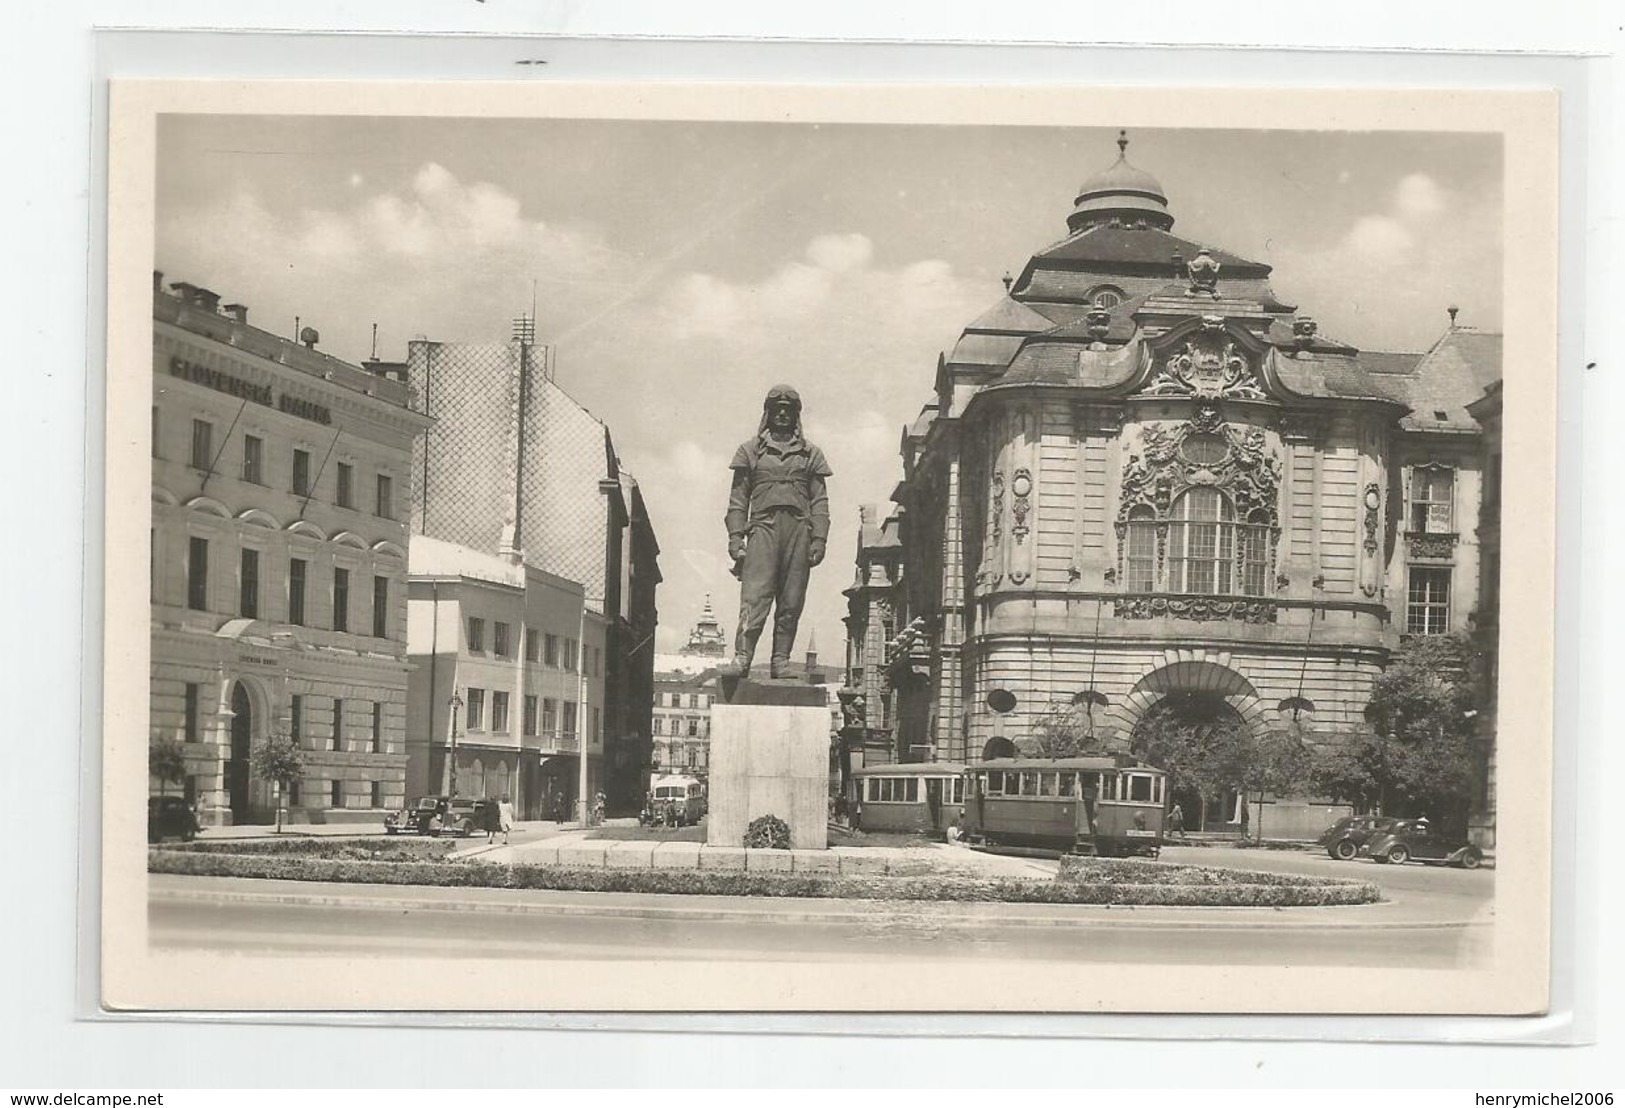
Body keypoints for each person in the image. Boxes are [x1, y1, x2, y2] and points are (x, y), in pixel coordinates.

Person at [720, 385, 833, 679]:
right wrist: (735, 537)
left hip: (799, 531)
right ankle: (743, 657)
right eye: (777, 408)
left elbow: (819, 500)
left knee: (791, 600)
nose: (782, 414)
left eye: (789, 409)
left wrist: (819, 539)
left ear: (796, 415)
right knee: (755, 597)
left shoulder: (811, 454)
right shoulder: (749, 451)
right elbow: (738, 500)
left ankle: (780, 661)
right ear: (767, 413)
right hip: (763, 529)